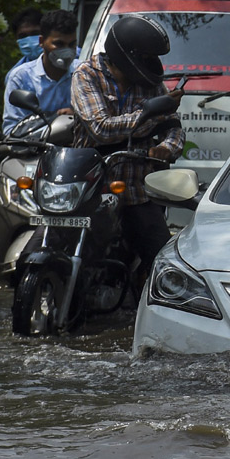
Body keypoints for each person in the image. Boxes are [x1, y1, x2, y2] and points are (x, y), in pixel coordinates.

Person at [70, 14, 184, 284]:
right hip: (88, 186)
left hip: (133, 188)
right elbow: (100, 128)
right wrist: (151, 115)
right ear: (125, 54)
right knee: (41, 242)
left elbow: (174, 129)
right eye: (144, 56)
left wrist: (168, 148)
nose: (150, 63)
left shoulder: (153, 84)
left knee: (165, 263)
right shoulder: (87, 75)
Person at [1, 9, 79, 135]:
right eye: (59, 44)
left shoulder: (85, 73)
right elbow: (11, 130)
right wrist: (55, 122)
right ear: (42, 42)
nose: (67, 51)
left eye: (71, 44)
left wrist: (79, 117)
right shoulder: (21, 77)